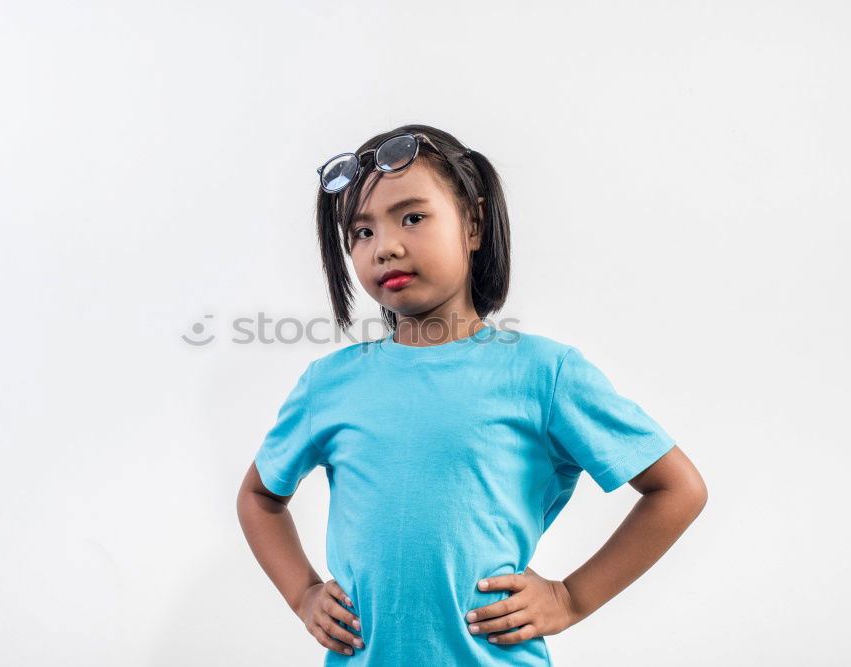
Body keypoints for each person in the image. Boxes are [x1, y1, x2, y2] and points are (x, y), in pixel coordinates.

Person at [236, 123, 707, 666]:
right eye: (362, 232)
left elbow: (676, 488)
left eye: (412, 217)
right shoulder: (328, 385)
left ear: (474, 223)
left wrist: (571, 598)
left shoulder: (543, 374)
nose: (385, 246)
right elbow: (259, 497)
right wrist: (303, 594)